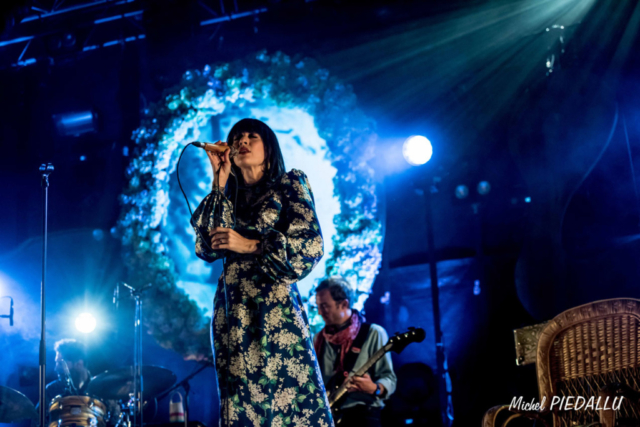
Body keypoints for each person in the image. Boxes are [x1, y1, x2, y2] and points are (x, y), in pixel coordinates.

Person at [191, 118, 333, 427]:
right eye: (236, 137)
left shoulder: (289, 183)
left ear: (268, 148)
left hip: (274, 310)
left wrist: (251, 246)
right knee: (242, 405)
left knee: (289, 401)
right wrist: (218, 180)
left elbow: (310, 246)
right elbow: (205, 248)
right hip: (232, 313)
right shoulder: (227, 199)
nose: (241, 141)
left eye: (250, 136)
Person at [313, 276, 397, 427]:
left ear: (344, 304)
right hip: (329, 419)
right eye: (318, 306)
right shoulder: (318, 339)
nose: (320, 312)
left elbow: (388, 378)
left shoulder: (373, 333)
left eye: (325, 306)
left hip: (363, 416)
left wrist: (375, 388)